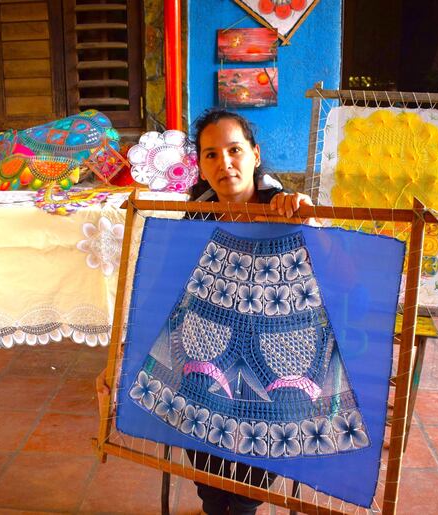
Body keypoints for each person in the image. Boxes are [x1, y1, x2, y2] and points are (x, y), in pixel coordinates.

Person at [96, 108, 315, 515]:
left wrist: (305, 211)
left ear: (254, 153)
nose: (225, 163)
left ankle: (245, 506)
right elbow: (166, 293)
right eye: (211, 154)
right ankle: (213, 503)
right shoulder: (196, 215)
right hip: (207, 355)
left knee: (253, 470)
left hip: (273, 359)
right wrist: (120, 363)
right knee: (206, 453)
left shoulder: (284, 209)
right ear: (201, 164)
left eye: (234, 150)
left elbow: (321, 274)